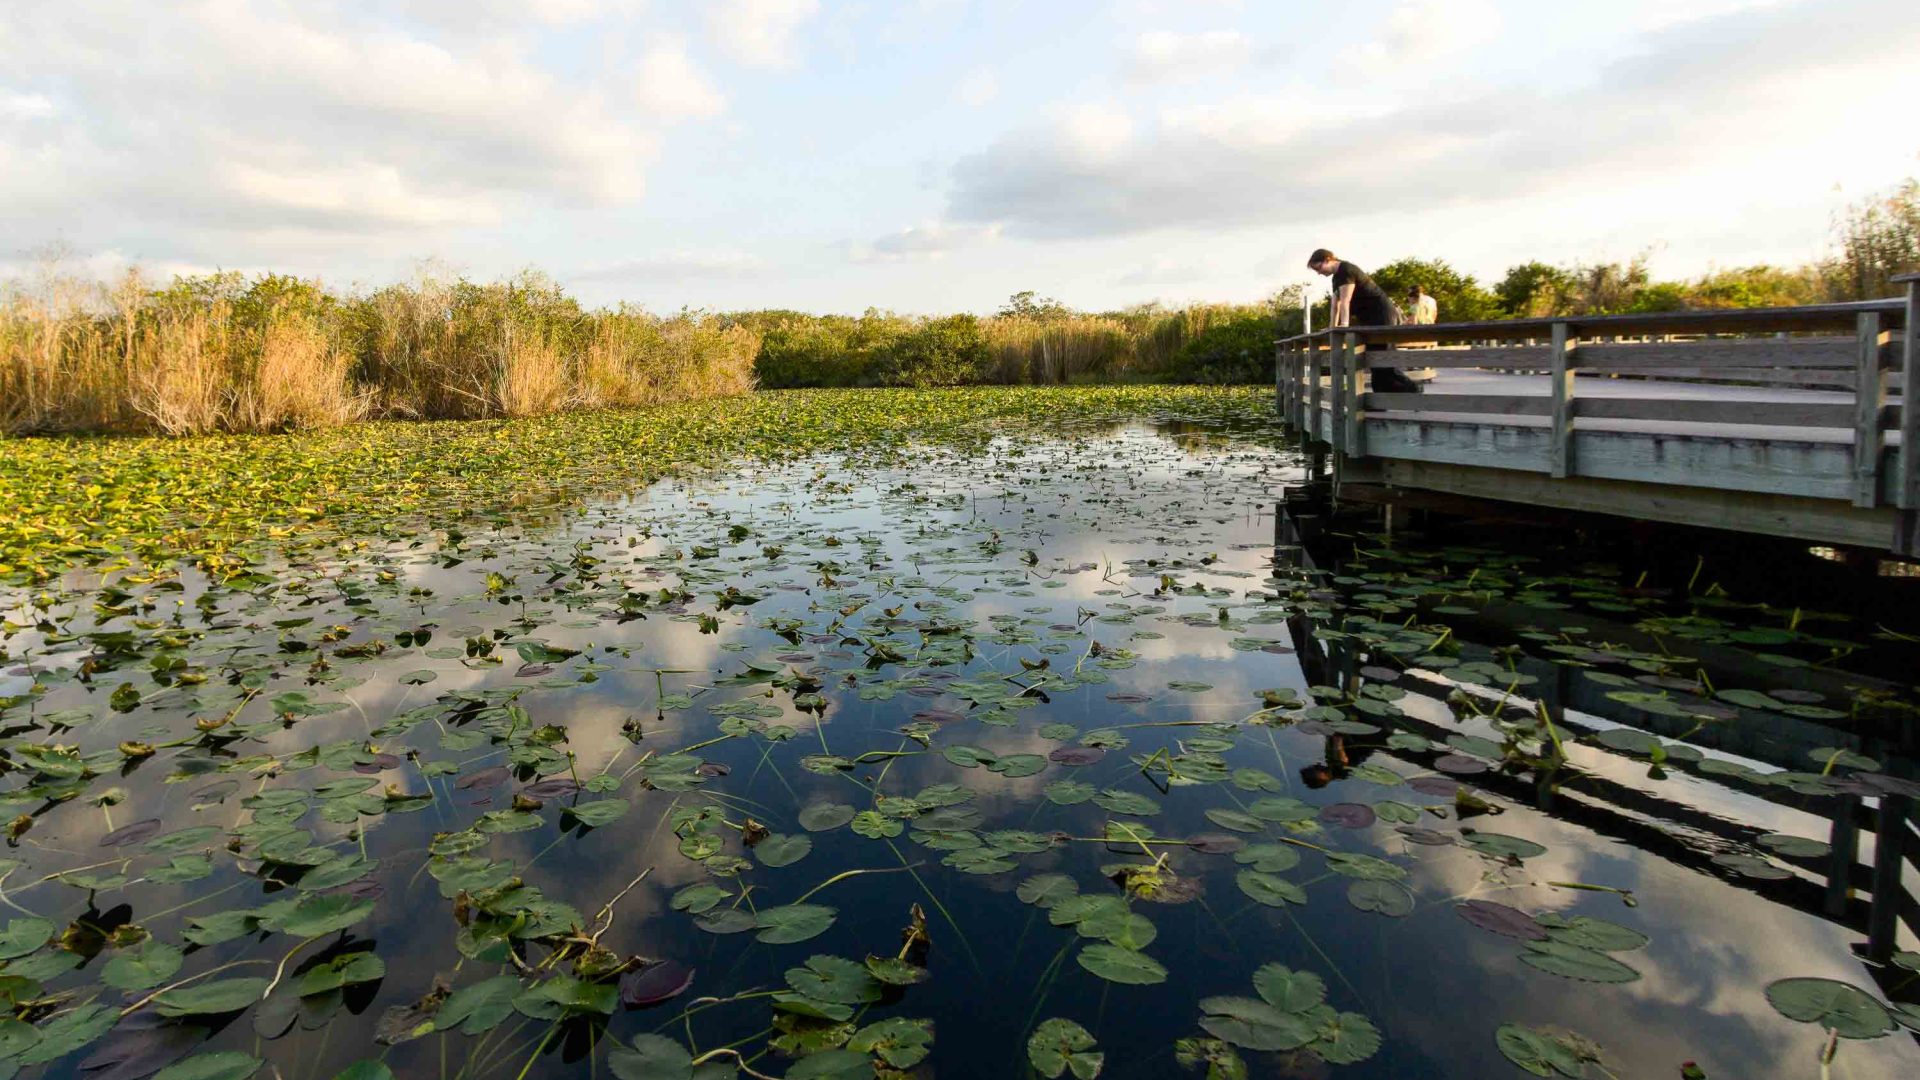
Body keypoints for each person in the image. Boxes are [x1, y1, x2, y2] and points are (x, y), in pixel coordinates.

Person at [1307, 248, 1421, 393]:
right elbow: (1335, 306)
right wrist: (1331, 328)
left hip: (1382, 316)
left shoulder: (1346, 270)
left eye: (1319, 268)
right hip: (1370, 319)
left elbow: (1345, 301)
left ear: (1328, 259)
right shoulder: (1336, 277)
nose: (1319, 273)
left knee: (1384, 360)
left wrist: (1344, 325)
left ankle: (1413, 390)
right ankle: (1381, 402)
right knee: (1374, 360)